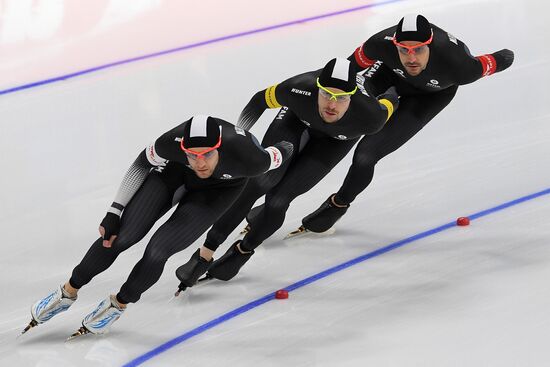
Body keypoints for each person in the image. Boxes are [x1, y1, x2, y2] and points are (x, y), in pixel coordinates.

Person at [23, 115, 294, 337]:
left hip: (219, 192)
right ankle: (68, 292)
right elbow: (141, 164)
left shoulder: (251, 158)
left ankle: (119, 303)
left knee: (157, 251)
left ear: (219, 147)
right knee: (119, 236)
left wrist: (286, 146)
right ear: (183, 148)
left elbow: (283, 150)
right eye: (192, 154)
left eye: (207, 155)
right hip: (174, 175)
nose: (199, 162)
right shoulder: (172, 142)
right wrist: (114, 211)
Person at [174, 57, 399, 285]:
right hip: (295, 122)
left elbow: (391, 101)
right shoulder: (299, 88)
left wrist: (392, 93)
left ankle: (242, 252)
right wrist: (237, 142)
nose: (331, 104)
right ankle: (206, 252)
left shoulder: (371, 116)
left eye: (340, 98)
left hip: (334, 141)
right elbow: (259, 100)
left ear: (351, 97)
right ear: (317, 87)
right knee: (258, 183)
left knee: (279, 200)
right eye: (326, 94)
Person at [293, 14, 515, 234]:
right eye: (404, 50)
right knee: (343, 115)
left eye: (418, 49)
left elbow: (499, 59)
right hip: (388, 78)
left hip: (429, 97)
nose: (411, 58)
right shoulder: (379, 44)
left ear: (430, 45)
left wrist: (507, 55)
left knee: (365, 156)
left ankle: (337, 205)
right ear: (395, 44)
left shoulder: (460, 66)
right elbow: (343, 72)